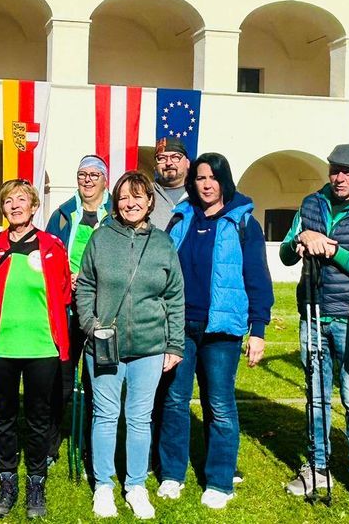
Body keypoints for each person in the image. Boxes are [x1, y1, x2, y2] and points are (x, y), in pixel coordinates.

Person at [157, 152, 273, 510]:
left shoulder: (243, 223)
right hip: (179, 326)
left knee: (219, 404)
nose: (205, 184)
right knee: (174, 401)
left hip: (222, 330)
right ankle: (172, 474)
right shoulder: (181, 218)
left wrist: (258, 328)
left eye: (212, 178)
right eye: (200, 178)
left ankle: (220, 480)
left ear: (224, 180)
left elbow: (257, 277)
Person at [75, 171, 184, 520]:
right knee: (105, 416)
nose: (130, 203)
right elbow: (86, 285)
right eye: (123, 197)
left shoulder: (163, 243)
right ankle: (104, 486)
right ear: (115, 201)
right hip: (105, 345)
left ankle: (136, 485)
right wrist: (91, 326)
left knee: (139, 418)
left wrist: (175, 345)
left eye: (138, 196)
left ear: (150, 201)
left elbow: (175, 296)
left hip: (150, 346)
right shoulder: (100, 238)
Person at [279, 144, 349, 505]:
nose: (338, 178)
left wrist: (333, 251)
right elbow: (286, 254)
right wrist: (301, 240)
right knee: (316, 397)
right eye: (334, 170)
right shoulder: (311, 203)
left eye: (347, 171)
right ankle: (317, 466)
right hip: (313, 311)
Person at [0, 180, 72, 519]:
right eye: (8, 201)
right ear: (2, 209)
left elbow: (63, 292)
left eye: (22, 200)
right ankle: (7, 481)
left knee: (38, 417)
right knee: (3, 415)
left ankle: (35, 481)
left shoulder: (52, 246)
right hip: (2, 344)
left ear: (34, 206)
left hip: (42, 346)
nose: (15, 206)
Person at [45, 154, 112, 464]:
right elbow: (46, 255)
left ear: (104, 180)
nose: (87, 180)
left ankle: (91, 444)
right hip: (66, 307)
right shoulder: (61, 215)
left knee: (99, 379)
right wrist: (64, 278)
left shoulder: (116, 213)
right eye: (82, 174)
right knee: (60, 379)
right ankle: (51, 443)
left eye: (93, 175)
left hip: (103, 309)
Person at [148, 137, 190, 232]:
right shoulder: (144, 192)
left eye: (175, 157)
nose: (169, 163)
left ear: (187, 163)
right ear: (155, 166)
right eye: (162, 158)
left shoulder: (199, 194)